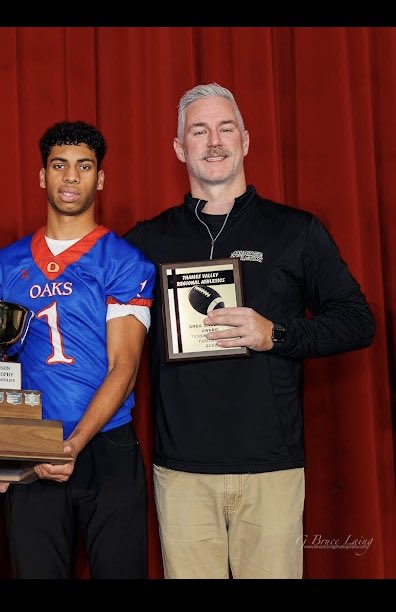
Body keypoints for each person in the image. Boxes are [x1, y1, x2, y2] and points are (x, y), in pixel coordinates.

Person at [124, 83, 375, 578]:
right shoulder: (146, 241)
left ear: (245, 140)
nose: (214, 141)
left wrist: (274, 335)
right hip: (182, 472)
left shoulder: (295, 230)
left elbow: (357, 320)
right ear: (180, 148)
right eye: (199, 130)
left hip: (272, 469)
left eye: (225, 128)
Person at [0, 120, 155, 578]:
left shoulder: (124, 261)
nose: (71, 177)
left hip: (106, 444)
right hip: (32, 444)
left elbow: (125, 365)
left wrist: (73, 444)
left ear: (100, 178)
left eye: (84, 167)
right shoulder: (8, 262)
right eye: (59, 166)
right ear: (42, 176)